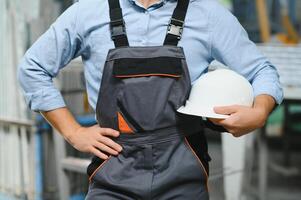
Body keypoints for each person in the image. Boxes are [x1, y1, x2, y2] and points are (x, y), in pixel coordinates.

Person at [18, 0, 283, 199]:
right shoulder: (87, 12)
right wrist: (72, 131)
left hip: (183, 166)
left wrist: (260, 111)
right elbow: (32, 68)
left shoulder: (208, 15)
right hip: (114, 167)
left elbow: (262, 72)